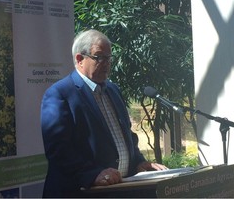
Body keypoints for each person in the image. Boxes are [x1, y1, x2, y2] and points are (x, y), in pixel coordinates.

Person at [41, 29, 167, 198]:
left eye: (109, 58)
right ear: (79, 59)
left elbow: (126, 136)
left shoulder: (113, 90)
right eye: (99, 57)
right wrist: (92, 174)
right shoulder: (60, 94)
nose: (107, 63)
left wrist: (139, 162)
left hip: (120, 191)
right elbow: (58, 150)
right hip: (82, 193)